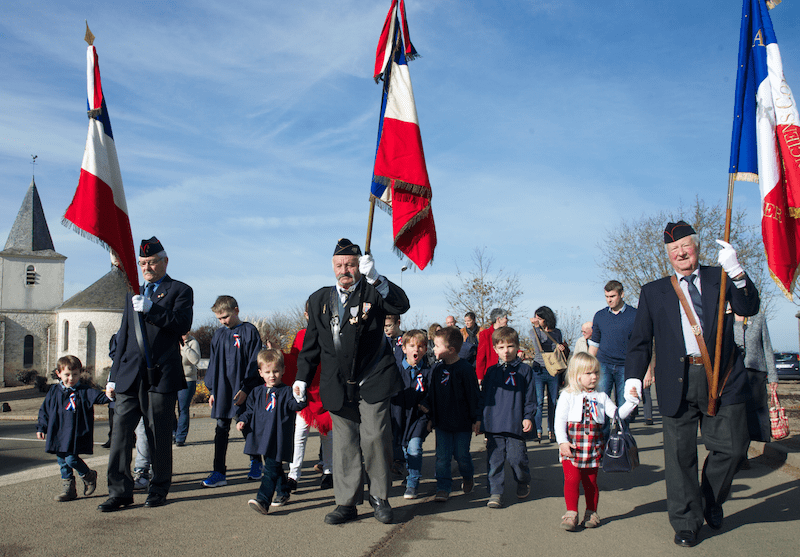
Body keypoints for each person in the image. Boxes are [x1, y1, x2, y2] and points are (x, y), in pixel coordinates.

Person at [625, 221, 759, 547]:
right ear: (668, 255)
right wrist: (633, 377)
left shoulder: (721, 277)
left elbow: (749, 306)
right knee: (679, 455)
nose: (681, 253)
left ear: (696, 247)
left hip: (723, 378)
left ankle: (710, 499)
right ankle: (686, 521)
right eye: (674, 250)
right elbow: (641, 341)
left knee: (732, 447)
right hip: (676, 380)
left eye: (686, 246)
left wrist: (738, 271)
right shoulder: (653, 291)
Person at [294, 239, 410, 525]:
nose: (344, 269)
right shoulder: (319, 299)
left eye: (350, 264)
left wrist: (378, 278)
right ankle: (346, 503)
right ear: (332, 267)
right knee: (344, 443)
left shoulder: (374, 289)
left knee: (373, 437)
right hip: (336, 382)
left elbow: (402, 304)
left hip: (374, 377)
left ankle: (380, 497)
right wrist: (301, 378)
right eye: (339, 265)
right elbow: (311, 345)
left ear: (360, 265)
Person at [99, 237, 193, 512]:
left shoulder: (180, 290)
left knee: (158, 436)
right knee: (120, 436)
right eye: (142, 263)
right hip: (129, 375)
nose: (147, 267)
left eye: (152, 262)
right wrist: (113, 376)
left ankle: (159, 487)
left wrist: (153, 309)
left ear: (164, 261)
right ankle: (119, 492)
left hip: (160, 375)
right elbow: (124, 337)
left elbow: (181, 324)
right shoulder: (133, 294)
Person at [555, 352, 638, 531]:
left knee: (591, 482)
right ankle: (571, 513)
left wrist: (631, 401)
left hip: (593, 447)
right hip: (572, 447)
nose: (594, 377)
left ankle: (591, 512)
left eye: (596, 373)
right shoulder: (567, 395)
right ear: (576, 375)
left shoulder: (601, 397)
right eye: (588, 373)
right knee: (571, 479)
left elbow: (617, 415)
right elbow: (559, 421)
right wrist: (562, 442)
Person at [203, 295, 265, 487]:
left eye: (226, 317)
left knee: (245, 425)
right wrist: (212, 389)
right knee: (221, 429)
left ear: (236, 310)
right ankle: (219, 471)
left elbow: (255, 361)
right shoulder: (219, 335)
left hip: (242, 390)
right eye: (219, 319)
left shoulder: (249, 331)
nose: (223, 321)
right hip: (222, 390)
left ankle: (256, 462)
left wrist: (247, 388)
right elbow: (213, 363)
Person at [238, 349, 307, 514]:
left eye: (276, 371)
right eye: (268, 372)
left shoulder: (286, 392)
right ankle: (283, 491)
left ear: (283, 370)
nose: (272, 375)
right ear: (260, 373)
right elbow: (250, 410)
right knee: (274, 466)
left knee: (270, 469)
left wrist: (299, 397)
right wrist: (243, 420)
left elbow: (296, 406)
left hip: (278, 437)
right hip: (262, 436)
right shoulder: (256, 392)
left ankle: (263, 500)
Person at [37, 355, 110, 502]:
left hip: (74, 433)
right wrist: (41, 427)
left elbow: (101, 398)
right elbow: (44, 410)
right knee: (62, 461)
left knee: (71, 459)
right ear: (58, 374)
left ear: (79, 374)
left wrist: (110, 393)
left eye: (75, 375)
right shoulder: (54, 391)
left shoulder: (84, 390)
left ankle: (88, 475)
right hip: (58, 431)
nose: (71, 378)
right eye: (67, 375)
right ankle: (69, 489)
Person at [480, 326, 536, 509]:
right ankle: (496, 492)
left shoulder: (525, 371)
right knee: (494, 461)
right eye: (502, 347)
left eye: (510, 346)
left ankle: (522, 480)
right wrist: (481, 422)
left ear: (517, 347)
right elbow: (485, 399)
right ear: (495, 349)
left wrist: (528, 416)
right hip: (494, 425)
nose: (506, 351)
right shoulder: (491, 372)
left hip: (515, 424)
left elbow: (530, 397)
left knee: (517, 459)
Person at [282, 301, 334, 491]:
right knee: (299, 435)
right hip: (305, 392)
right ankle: (293, 475)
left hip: (325, 391)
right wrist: (279, 356)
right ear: (306, 315)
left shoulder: (332, 335)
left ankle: (329, 472)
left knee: (327, 435)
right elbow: (295, 359)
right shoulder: (301, 335)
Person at [429, 326, 480, 503]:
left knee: (461, 455)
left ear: (451, 350)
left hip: (462, 424)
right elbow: (432, 396)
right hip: (442, 423)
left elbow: (473, 395)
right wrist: (431, 418)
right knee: (442, 458)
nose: (433, 349)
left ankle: (467, 477)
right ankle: (443, 487)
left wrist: (476, 419)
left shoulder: (465, 369)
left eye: (436, 345)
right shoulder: (436, 370)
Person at [389, 329, 432, 500]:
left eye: (421, 346)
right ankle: (408, 473)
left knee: (414, 448)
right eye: (412, 346)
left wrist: (428, 409)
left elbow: (432, 395)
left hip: (418, 418)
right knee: (404, 450)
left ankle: (413, 482)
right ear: (404, 348)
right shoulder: (396, 370)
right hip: (399, 417)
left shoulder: (428, 372)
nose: (417, 350)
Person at [733, 308, 776, 458]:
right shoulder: (726, 317)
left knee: (753, 416)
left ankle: (744, 452)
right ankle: (740, 455)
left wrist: (773, 376)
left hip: (755, 374)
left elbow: (767, 347)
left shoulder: (758, 318)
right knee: (737, 416)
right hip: (733, 374)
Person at [588, 281, 637, 410]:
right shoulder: (600, 316)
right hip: (604, 364)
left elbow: (641, 345)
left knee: (624, 402)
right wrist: (587, 366)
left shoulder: (635, 315)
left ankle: (622, 430)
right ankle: (603, 430)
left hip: (626, 366)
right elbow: (594, 344)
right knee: (601, 401)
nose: (609, 300)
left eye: (612, 296)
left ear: (622, 294)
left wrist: (648, 370)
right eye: (606, 297)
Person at [530, 306, 567, 443]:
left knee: (552, 401)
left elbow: (554, 348)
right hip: (538, 368)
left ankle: (552, 429)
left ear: (547, 319)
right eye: (536, 318)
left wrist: (560, 347)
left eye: (540, 318)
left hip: (553, 369)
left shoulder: (557, 332)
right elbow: (538, 345)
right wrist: (537, 328)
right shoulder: (534, 331)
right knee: (539, 401)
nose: (537, 320)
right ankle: (538, 430)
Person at [175, 332, 200, 446]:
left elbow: (195, 360)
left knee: (183, 408)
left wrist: (185, 347)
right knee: (169, 408)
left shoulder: (193, 343)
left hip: (187, 379)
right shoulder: (172, 341)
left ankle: (180, 437)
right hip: (172, 379)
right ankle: (174, 432)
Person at [476, 309, 508, 383]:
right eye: (505, 318)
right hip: (491, 372)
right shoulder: (485, 334)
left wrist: (519, 351)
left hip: (507, 371)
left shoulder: (508, 333)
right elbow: (481, 356)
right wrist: (479, 376)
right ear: (498, 319)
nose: (507, 320)